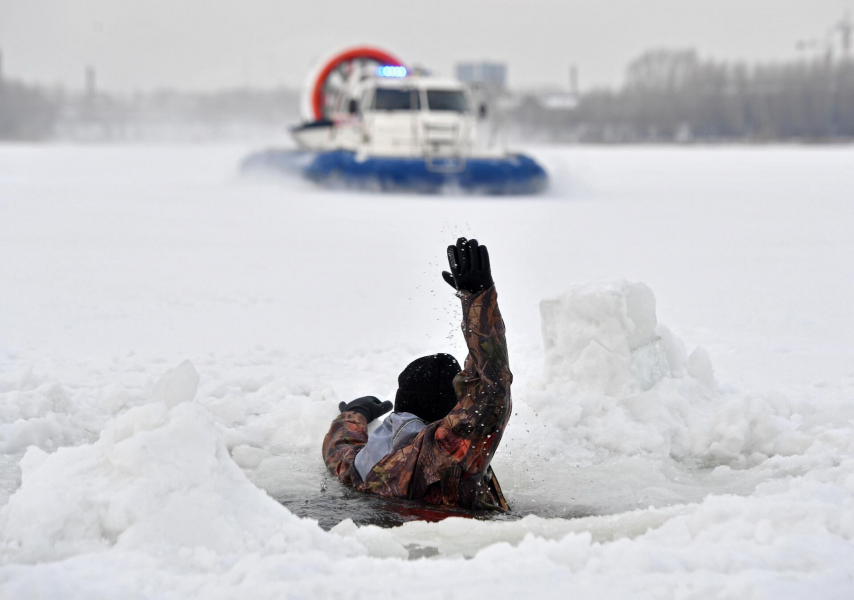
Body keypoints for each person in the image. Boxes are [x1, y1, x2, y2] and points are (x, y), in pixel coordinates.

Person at [322, 237, 512, 511]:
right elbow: (491, 389)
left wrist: (355, 413)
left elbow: (338, 450)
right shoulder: (443, 454)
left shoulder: (365, 466)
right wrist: (478, 299)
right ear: (451, 414)